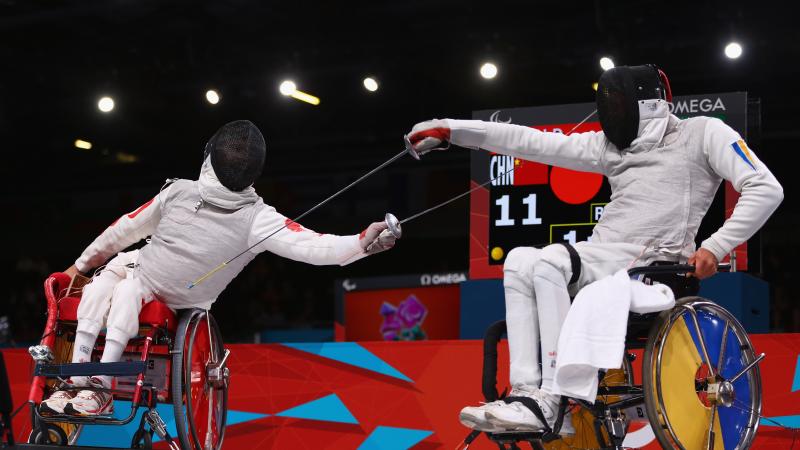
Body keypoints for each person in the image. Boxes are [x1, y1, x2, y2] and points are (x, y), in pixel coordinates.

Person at [407, 64, 783, 433]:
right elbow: (530, 141)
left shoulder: (702, 133)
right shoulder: (612, 145)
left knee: (550, 261)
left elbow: (766, 188)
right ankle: (526, 393)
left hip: (655, 263)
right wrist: (452, 131)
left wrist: (716, 246)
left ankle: (553, 402)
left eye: (619, 106)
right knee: (520, 260)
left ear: (647, 104)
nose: (612, 116)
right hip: (605, 257)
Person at [41, 120, 397, 416]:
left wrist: (361, 241)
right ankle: (75, 380)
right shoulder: (179, 192)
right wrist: (81, 266)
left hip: (162, 293)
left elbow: (316, 246)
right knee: (99, 290)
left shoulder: (256, 219)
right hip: (135, 267)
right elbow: (125, 229)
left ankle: (100, 390)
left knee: (123, 295)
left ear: (209, 158)